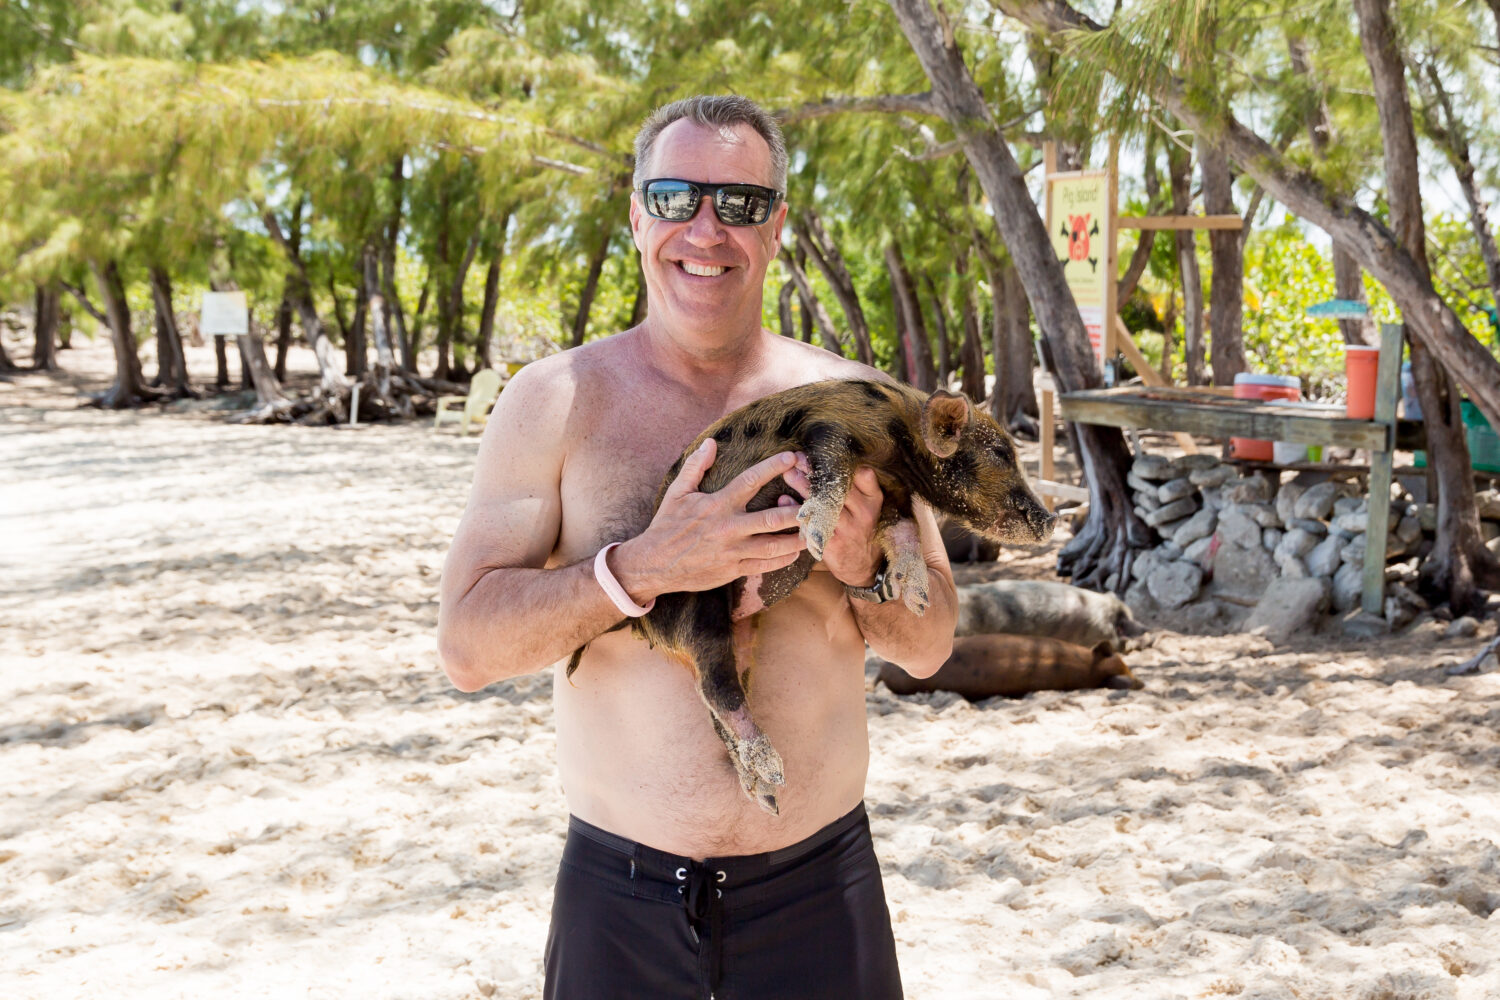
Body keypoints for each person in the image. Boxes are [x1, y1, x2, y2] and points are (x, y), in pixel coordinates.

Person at [437, 95, 957, 1000]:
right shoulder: (553, 401)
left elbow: (932, 641)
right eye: (675, 198)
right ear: (637, 215)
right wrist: (641, 570)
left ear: (778, 225)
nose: (705, 230)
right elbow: (469, 648)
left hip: (820, 897)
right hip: (618, 905)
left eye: (741, 204)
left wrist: (861, 567)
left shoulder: (861, 401)